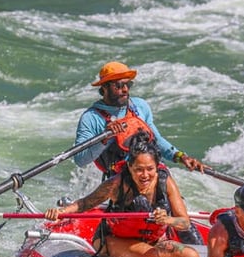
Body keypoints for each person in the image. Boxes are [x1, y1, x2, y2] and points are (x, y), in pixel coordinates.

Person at [45, 134, 199, 257]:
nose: (145, 175)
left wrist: (168, 219)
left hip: (152, 242)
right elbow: (85, 204)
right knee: (150, 256)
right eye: (139, 169)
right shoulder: (117, 184)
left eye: (150, 169)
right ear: (129, 167)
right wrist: (60, 213)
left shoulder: (166, 182)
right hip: (113, 241)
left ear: (157, 167)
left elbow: (184, 223)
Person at [73, 61, 205, 176]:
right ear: (104, 88)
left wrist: (180, 157)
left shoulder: (140, 106)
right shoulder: (91, 118)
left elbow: (157, 140)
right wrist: (105, 139)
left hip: (150, 175)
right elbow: (80, 160)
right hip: (120, 182)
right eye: (118, 85)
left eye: (128, 85)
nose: (125, 90)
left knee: (164, 177)